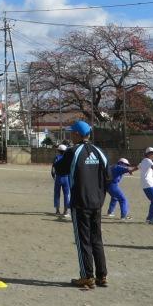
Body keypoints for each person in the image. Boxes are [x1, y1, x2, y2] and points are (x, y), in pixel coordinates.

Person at [53, 120, 110, 290]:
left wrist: (59, 158)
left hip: (80, 201)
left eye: (72, 132)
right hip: (97, 202)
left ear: (77, 134)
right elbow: (108, 175)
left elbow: (60, 169)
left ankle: (86, 276)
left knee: (83, 240)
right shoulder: (100, 152)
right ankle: (102, 275)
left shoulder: (73, 152)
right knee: (96, 239)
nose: (71, 134)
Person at [51, 143, 71, 217]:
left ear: (58, 151)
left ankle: (57, 210)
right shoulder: (68, 158)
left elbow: (53, 170)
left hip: (58, 178)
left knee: (57, 194)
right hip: (66, 178)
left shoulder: (56, 158)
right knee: (67, 194)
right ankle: (66, 211)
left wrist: (54, 177)